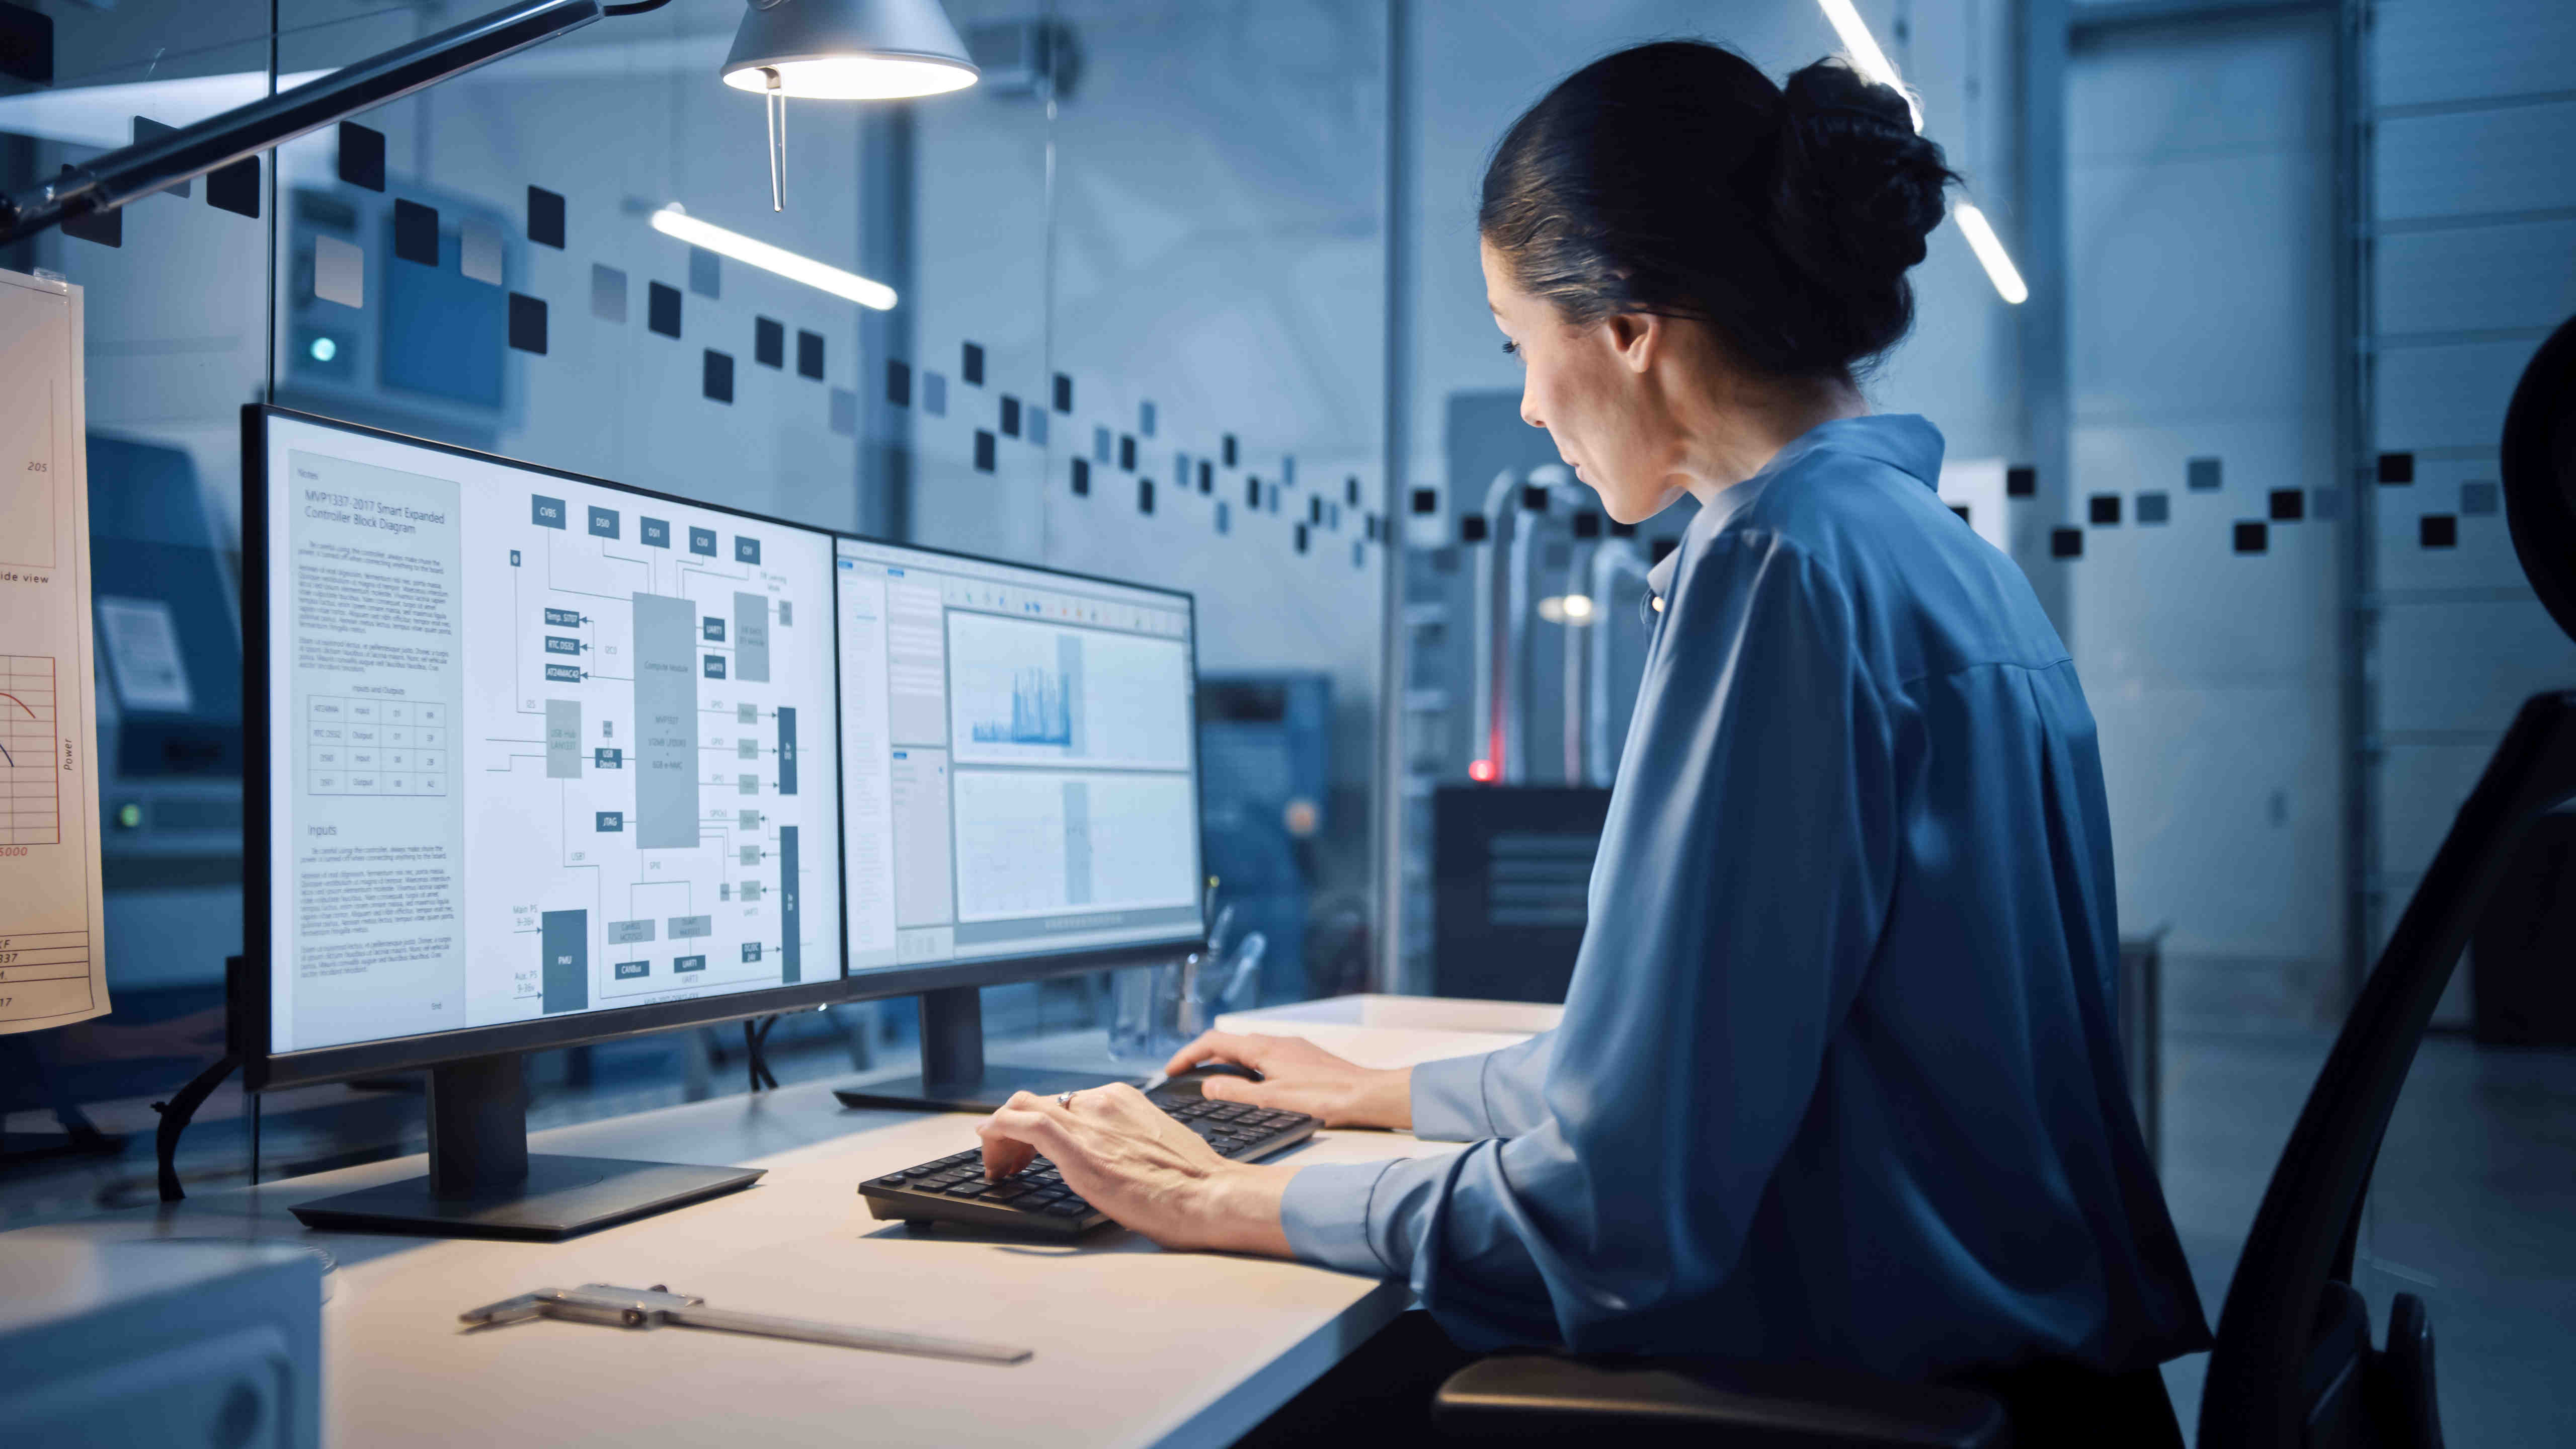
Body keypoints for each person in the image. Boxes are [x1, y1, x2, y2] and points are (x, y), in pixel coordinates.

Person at [977, 39, 2210, 1440]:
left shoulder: (1785, 572)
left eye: (1519, 341)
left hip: (1891, 1398)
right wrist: (1384, 1093)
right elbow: (1689, 1074)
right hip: (2044, 1394)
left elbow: (1624, 1219)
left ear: (1627, 327)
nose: (1523, 404)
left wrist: (1220, 1193)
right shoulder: (1927, 554)